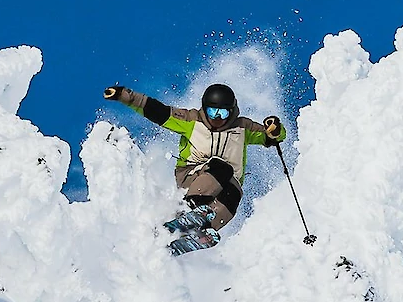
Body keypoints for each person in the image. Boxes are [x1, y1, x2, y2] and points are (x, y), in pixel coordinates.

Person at [102, 83, 285, 255]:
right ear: (204, 109)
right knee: (221, 168)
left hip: (225, 183)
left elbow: (271, 137)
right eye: (212, 112)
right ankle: (189, 208)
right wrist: (124, 95)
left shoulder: (243, 127)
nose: (217, 118)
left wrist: (275, 131)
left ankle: (198, 231)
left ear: (232, 111)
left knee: (235, 192)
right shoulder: (191, 120)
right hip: (193, 177)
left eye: (223, 113)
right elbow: (156, 110)